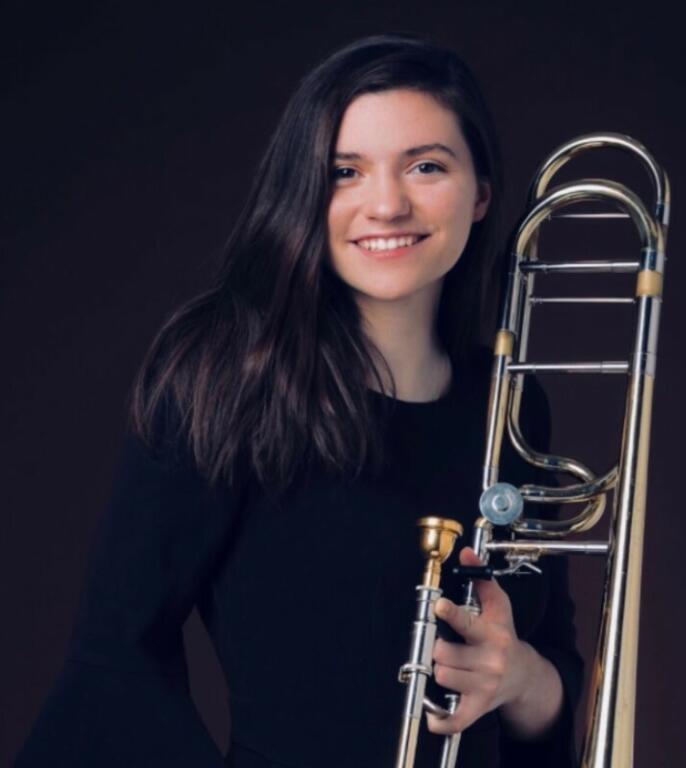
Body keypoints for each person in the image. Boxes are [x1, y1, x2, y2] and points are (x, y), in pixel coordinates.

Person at [15, 33, 583, 768]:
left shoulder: (513, 402)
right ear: (304, 193)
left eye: (426, 166)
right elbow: (114, 664)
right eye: (344, 171)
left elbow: (553, 671)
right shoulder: (228, 376)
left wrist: (522, 678)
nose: (386, 203)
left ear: (480, 193)